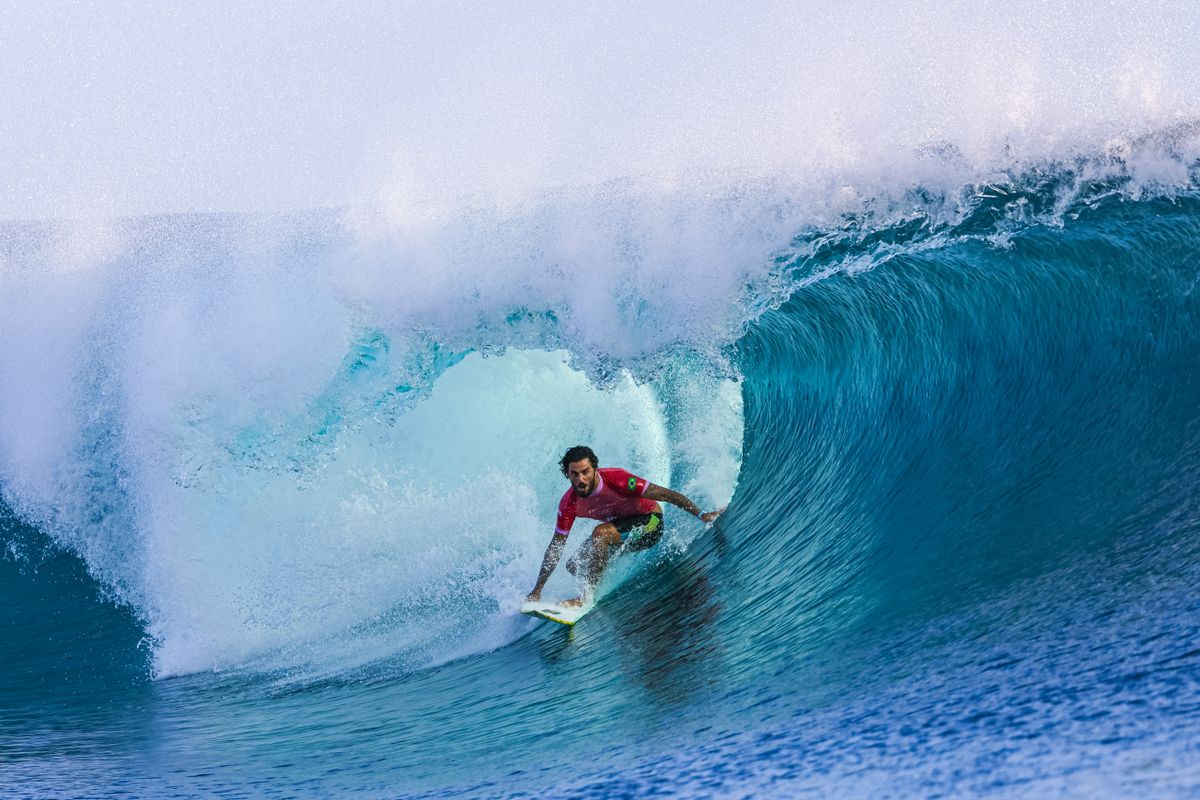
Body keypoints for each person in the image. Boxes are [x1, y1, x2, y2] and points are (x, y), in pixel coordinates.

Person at [526, 445, 724, 605]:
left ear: (595, 469)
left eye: (585, 472)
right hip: (622, 530)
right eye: (574, 474)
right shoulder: (569, 503)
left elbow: (666, 495)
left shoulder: (618, 479)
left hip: (650, 523)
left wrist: (702, 514)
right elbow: (555, 547)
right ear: (567, 475)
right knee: (574, 565)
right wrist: (537, 590)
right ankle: (599, 576)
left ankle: (586, 598)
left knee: (600, 534)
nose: (581, 479)